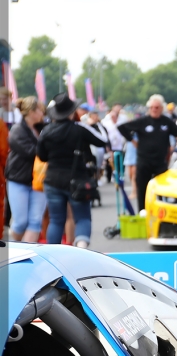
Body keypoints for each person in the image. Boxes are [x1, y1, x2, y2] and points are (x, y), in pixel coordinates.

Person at [37, 93, 108, 247]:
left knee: (56, 220)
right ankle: (81, 249)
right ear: (71, 112)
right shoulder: (79, 129)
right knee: (82, 218)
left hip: (52, 180)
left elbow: (42, 156)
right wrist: (98, 125)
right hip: (77, 180)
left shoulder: (46, 131)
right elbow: (103, 141)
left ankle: (52, 254)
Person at [117, 94, 177, 212]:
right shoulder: (142, 121)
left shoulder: (166, 122)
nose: (154, 109)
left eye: (157, 107)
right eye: (152, 107)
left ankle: (162, 215)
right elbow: (122, 127)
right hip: (144, 162)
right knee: (142, 190)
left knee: (163, 190)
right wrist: (132, 140)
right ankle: (143, 214)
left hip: (160, 163)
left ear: (162, 108)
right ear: (149, 108)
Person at [6, 97, 47, 242]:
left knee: (35, 221)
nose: (42, 112)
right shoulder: (17, 130)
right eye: (39, 109)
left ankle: (28, 258)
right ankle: (14, 248)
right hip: (19, 180)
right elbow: (31, 152)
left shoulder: (42, 128)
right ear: (31, 112)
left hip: (39, 181)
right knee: (20, 223)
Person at [101, 104, 127, 184]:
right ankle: (110, 175)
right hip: (110, 144)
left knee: (121, 161)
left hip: (120, 144)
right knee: (110, 161)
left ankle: (120, 174)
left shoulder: (122, 120)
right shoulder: (106, 122)